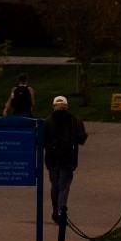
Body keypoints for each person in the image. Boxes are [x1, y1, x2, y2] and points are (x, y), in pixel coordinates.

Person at [43, 94, 86, 225]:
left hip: (52, 158)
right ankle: (61, 212)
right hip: (68, 158)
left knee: (55, 186)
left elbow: (42, 140)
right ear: (66, 106)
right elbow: (81, 139)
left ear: (54, 106)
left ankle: (56, 211)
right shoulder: (74, 121)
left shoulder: (47, 121)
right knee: (64, 187)